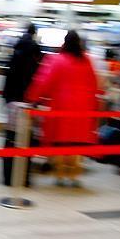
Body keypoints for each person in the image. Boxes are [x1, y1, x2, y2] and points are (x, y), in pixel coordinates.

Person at [26, 30, 99, 188]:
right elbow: (94, 84)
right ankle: (73, 177)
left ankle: (60, 176)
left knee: (61, 141)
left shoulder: (57, 59)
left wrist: (33, 97)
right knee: (76, 143)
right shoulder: (86, 60)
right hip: (83, 108)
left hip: (62, 106)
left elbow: (44, 81)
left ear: (65, 42)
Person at [1, 24, 42, 186]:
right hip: (25, 102)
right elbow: (35, 79)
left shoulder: (16, 48)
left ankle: (7, 177)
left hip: (11, 101)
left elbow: (9, 76)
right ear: (34, 33)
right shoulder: (34, 53)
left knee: (11, 138)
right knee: (26, 140)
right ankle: (23, 178)